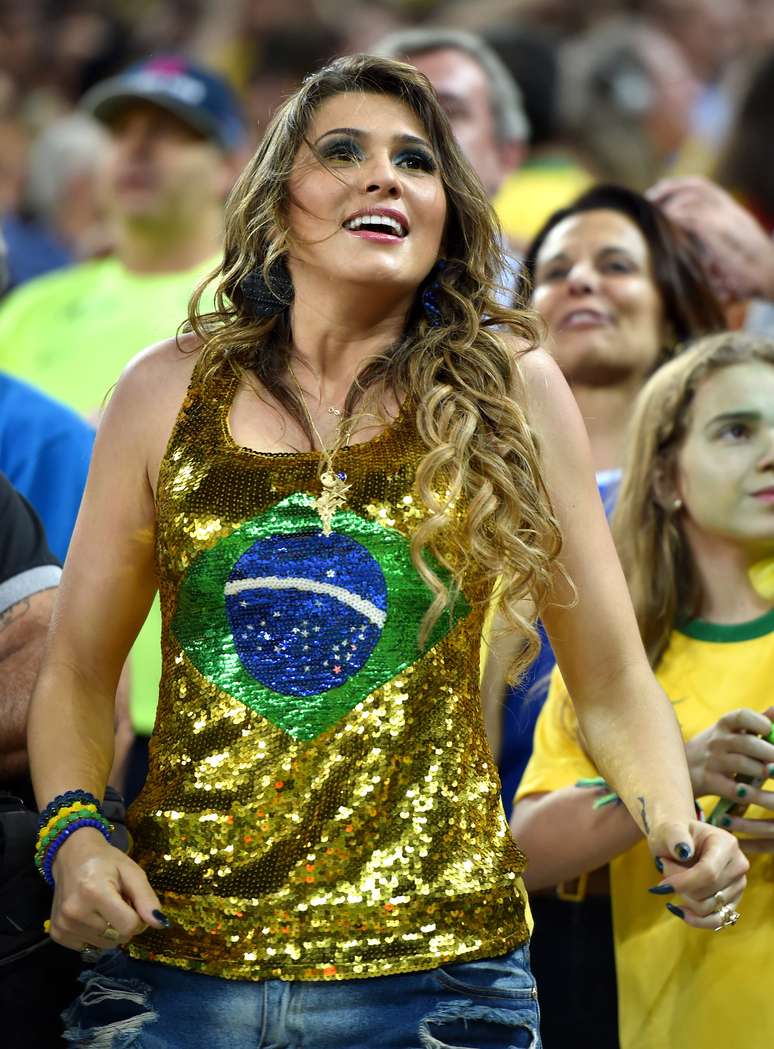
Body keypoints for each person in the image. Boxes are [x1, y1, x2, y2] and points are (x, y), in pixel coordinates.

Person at [28, 55, 745, 1049]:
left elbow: (614, 676)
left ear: (445, 213)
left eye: (416, 160)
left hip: (437, 980)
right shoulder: (162, 390)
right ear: (280, 203)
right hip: (173, 967)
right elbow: (72, 666)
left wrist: (676, 823)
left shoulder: (514, 390)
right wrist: (72, 835)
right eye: (345, 152)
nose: (386, 176)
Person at [513, 331, 774, 1049]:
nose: (771, 451)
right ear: (663, 477)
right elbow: (523, 851)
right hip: (673, 1022)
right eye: (736, 430)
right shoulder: (615, 662)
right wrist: (672, 777)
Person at [0, 54, 248, 796]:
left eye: (172, 133)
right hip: (41, 680)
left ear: (232, 164)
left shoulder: (251, 312)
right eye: (123, 132)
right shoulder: (31, 306)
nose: (138, 149)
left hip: (181, 690)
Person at [496, 182, 725, 808]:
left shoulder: (733, 495)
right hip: (506, 864)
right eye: (557, 271)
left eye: (616, 266)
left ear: (671, 310)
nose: (582, 282)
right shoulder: (474, 487)